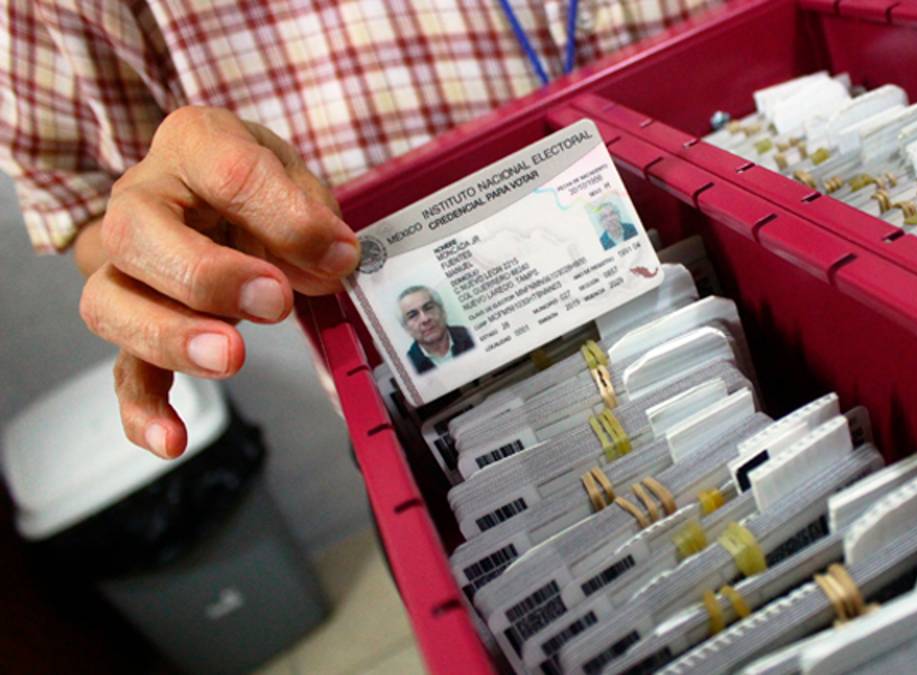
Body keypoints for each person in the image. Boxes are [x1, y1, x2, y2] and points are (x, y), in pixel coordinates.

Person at [0, 1, 723, 458]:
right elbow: (78, 197)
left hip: (745, 260)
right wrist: (178, 248)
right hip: (440, 415)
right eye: (420, 314)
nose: (426, 320)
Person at [399, 286, 475, 374]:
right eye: (413, 315)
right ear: (406, 328)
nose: (425, 319)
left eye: (428, 308)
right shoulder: (408, 366)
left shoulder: (472, 335)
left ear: (443, 311)